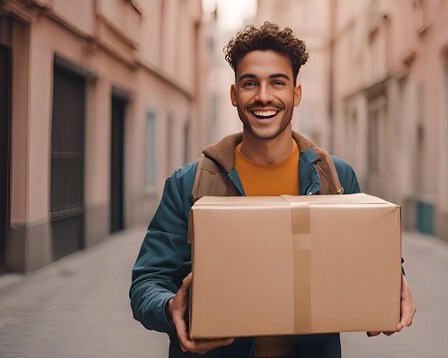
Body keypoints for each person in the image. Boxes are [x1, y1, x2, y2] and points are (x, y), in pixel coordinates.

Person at [130, 22, 416, 358]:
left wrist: (392, 283)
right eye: (250, 83)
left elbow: (370, 262)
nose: (263, 96)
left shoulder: (335, 179)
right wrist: (168, 309)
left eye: (277, 83)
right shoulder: (188, 183)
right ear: (235, 94)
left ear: (296, 93)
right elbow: (146, 281)